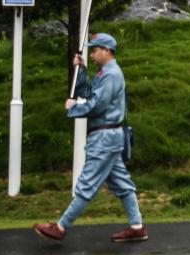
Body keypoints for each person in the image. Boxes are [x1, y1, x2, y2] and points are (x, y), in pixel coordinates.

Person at [34, 33, 146, 243]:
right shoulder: (106, 73)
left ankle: (60, 227)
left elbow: (97, 105)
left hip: (104, 138)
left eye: (94, 50)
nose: (92, 54)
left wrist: (74, 106)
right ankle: (137, 226)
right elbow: (92, 93)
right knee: (122, 184)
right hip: (108, 136)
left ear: (106, 50)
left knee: (87, 183)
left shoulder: (111, 74)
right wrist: (82, 71)